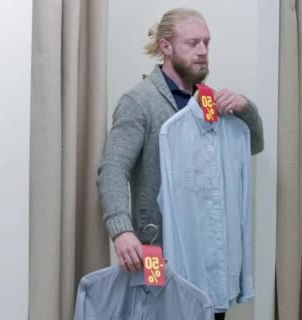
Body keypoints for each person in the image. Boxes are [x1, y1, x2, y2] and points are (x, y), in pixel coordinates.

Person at [96, 7, 264, 320]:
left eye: (207, 43)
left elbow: (249, 146)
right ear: (166, 47)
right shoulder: (140, 102)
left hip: (205, 247)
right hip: (154, 250)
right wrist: (121, 231)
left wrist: (245, 108)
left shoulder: (207, 102)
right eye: (193, 43)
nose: (203, 52)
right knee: (157, 311)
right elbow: (112, 170)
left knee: (208, 312)